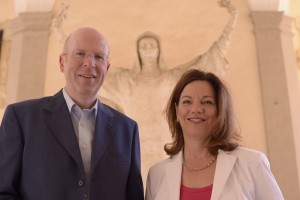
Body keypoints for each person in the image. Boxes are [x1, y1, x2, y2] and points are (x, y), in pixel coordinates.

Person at [99, 0, 238, 184]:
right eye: (144, 46)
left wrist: (231, 21)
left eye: (152, 45)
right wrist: (63, 37)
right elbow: (91, 72)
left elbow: (211, 58)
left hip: (170, 149)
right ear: (137, 52)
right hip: (135, 153)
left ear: (159, 50)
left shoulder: (173, 80)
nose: (148, 50)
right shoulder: (126, 83)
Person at [0, 27, 144, 200]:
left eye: (98, 57)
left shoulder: (127, 129)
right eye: (80, 53)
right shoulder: (21, 118)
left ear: (107, 67)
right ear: (62, 62)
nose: (89, 63)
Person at [145, 69, 284, 200]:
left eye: (207, 102)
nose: (196, 109)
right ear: (177, 111)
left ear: (220, 111)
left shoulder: (252, 163)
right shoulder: (157, 174)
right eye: (187, 101)